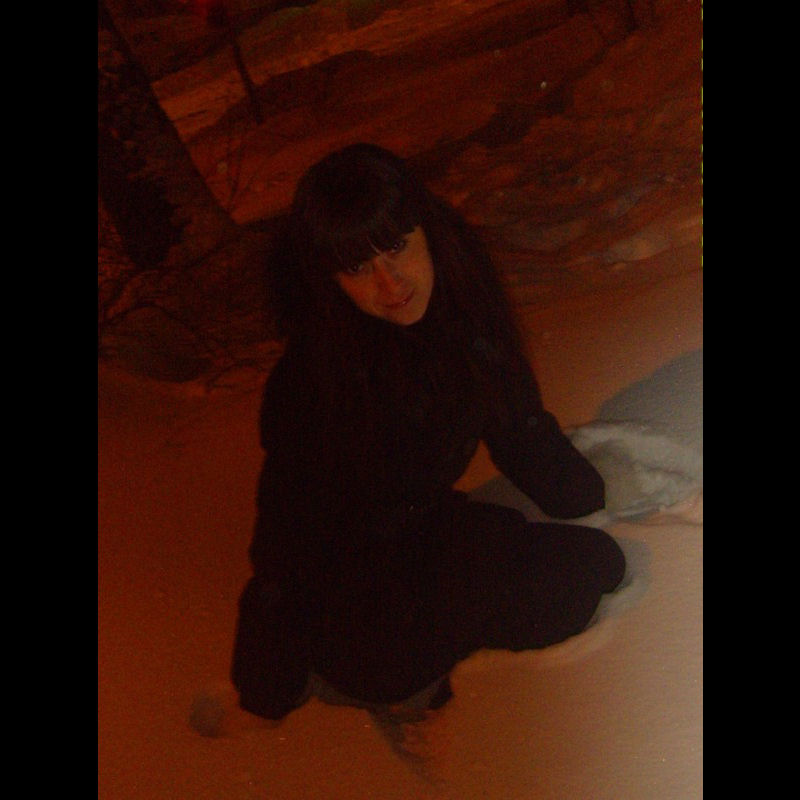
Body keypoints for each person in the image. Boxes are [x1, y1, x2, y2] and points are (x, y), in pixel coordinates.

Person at [231, 143, 625, 720]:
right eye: (357, 268)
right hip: (352, 587)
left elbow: (517, 424)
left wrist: (583, 496)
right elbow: (288, 523)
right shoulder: (315, 376)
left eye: (396, 247)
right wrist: (267, 656)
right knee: (394, 659)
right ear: (331, 280)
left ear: (427, 229)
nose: (390, 284)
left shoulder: (464, 309)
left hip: (428, 537)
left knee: (599, 565)